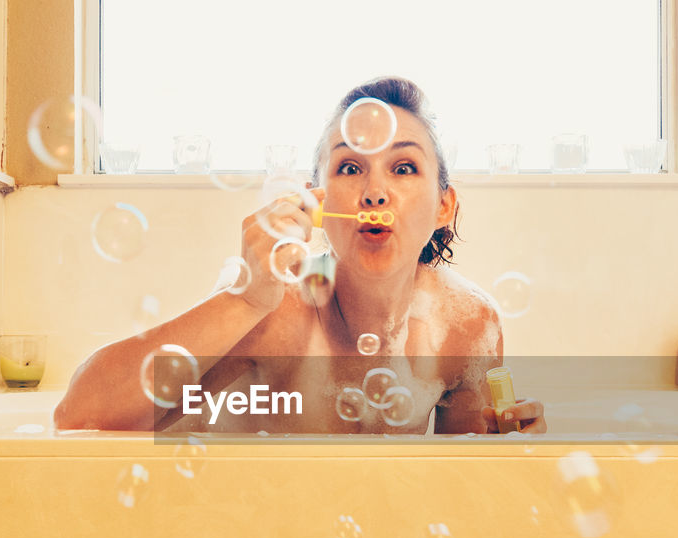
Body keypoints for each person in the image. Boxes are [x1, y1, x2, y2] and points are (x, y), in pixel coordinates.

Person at [53, 76, 546, 434]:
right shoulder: (275, 312)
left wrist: (511, 451)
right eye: (350, 167)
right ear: (317, 202)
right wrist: (244, 300)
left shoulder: (469, 323)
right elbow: (79, 414)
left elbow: (458, 482)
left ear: (444, 205)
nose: (374, 192)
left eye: (403, 166)